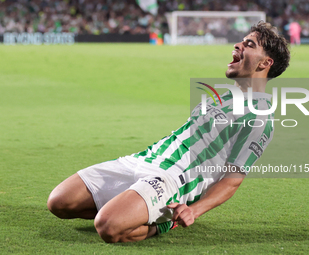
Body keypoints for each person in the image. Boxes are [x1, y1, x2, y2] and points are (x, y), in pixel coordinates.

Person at [47, 21, 290, 243]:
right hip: (143, 159)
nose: (237, 45)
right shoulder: (223, 96)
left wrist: (193, 210)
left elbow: (232, 182)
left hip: (173, 180)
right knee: (59, 202)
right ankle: (135, 206)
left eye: (249, 44)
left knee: (108, 226)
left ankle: (162, 224)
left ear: (265, 63)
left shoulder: (260, 117)